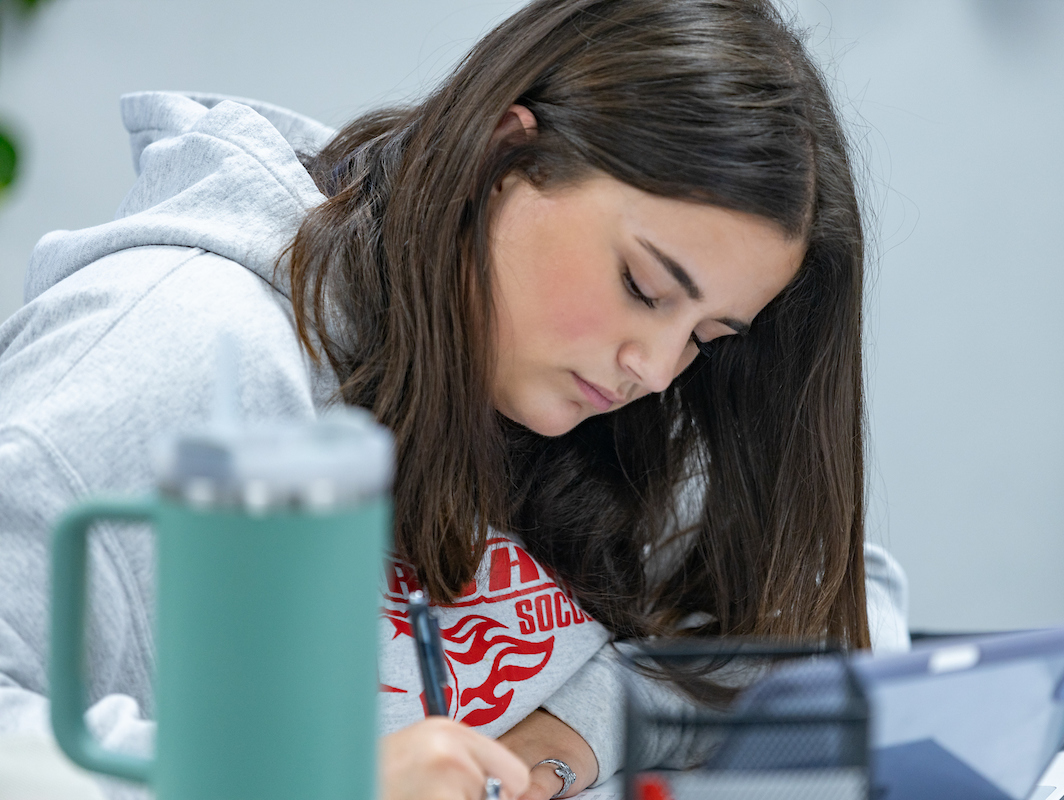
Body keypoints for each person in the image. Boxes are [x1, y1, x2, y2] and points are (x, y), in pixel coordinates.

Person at [0, 0, 910, 798]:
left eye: (708, 337)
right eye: (642, 285)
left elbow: (822, 590)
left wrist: (567, 739)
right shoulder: (178, 345)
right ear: (503, 155)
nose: (656, 367)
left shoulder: (575, 389)